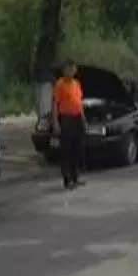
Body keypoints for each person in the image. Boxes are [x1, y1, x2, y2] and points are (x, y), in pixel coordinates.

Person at [52, 59, 87, 190]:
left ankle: (75, 176)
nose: (71, 71)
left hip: (77, 117)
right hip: (66, 118)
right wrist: (55, 122)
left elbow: (79, 102)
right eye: (69, 69)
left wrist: (83, 118)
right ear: (64, 70)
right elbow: (55, 104)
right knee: (66, 149)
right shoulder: (60, 84)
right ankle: (67, 179)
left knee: (77, 148)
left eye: (73, 69)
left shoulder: (77, 84)